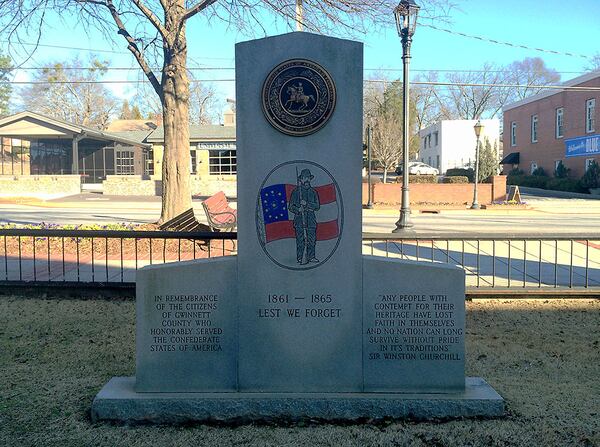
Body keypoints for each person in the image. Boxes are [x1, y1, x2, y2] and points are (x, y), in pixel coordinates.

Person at [288, 168, 320, 265]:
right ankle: (300, 258)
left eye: (308, 178)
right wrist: (298, 209)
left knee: (311, 240)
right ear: (301, 179)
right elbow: (291, 206)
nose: (306, 180)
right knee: (300, 240)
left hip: (310, 219)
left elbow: (317, 206)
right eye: (304, 178)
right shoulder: (296, 192)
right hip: (299, 220)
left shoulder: (313, 192)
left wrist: (306, 204)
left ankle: (311, 257)